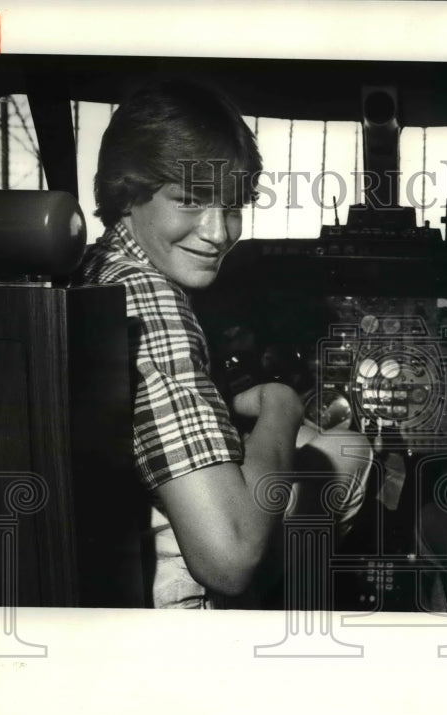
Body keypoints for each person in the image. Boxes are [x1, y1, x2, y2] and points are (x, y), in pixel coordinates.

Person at [80, 79, 371, 609]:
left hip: (104, 560)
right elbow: (230, 559)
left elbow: (143, 403)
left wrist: (234, 402)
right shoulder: (152, 300)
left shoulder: (96, 270)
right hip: (180, 602)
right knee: (349, 451)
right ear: (127, 192)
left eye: (232, 205)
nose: (218, 232)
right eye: (189, 200)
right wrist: (281, 404)